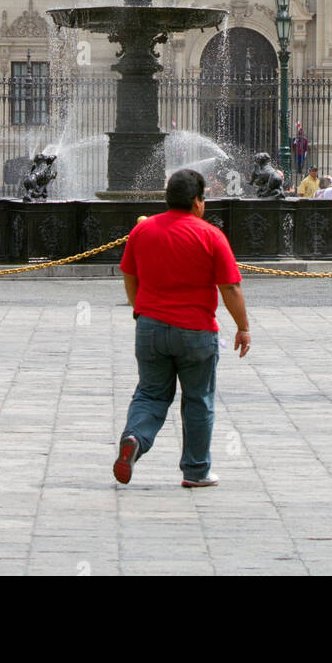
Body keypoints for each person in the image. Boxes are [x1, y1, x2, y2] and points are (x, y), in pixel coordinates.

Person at [113, 168, 250, 488]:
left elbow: (129, 276)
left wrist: (139, 310)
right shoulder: (210, 235)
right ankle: (196, 470)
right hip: (196, 331)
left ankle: (135, 437)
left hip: (150, 328)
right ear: (197, 202)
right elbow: (230, 288)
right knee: (198, 400)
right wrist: (243, 327)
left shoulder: (143, 232)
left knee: (149, 393)